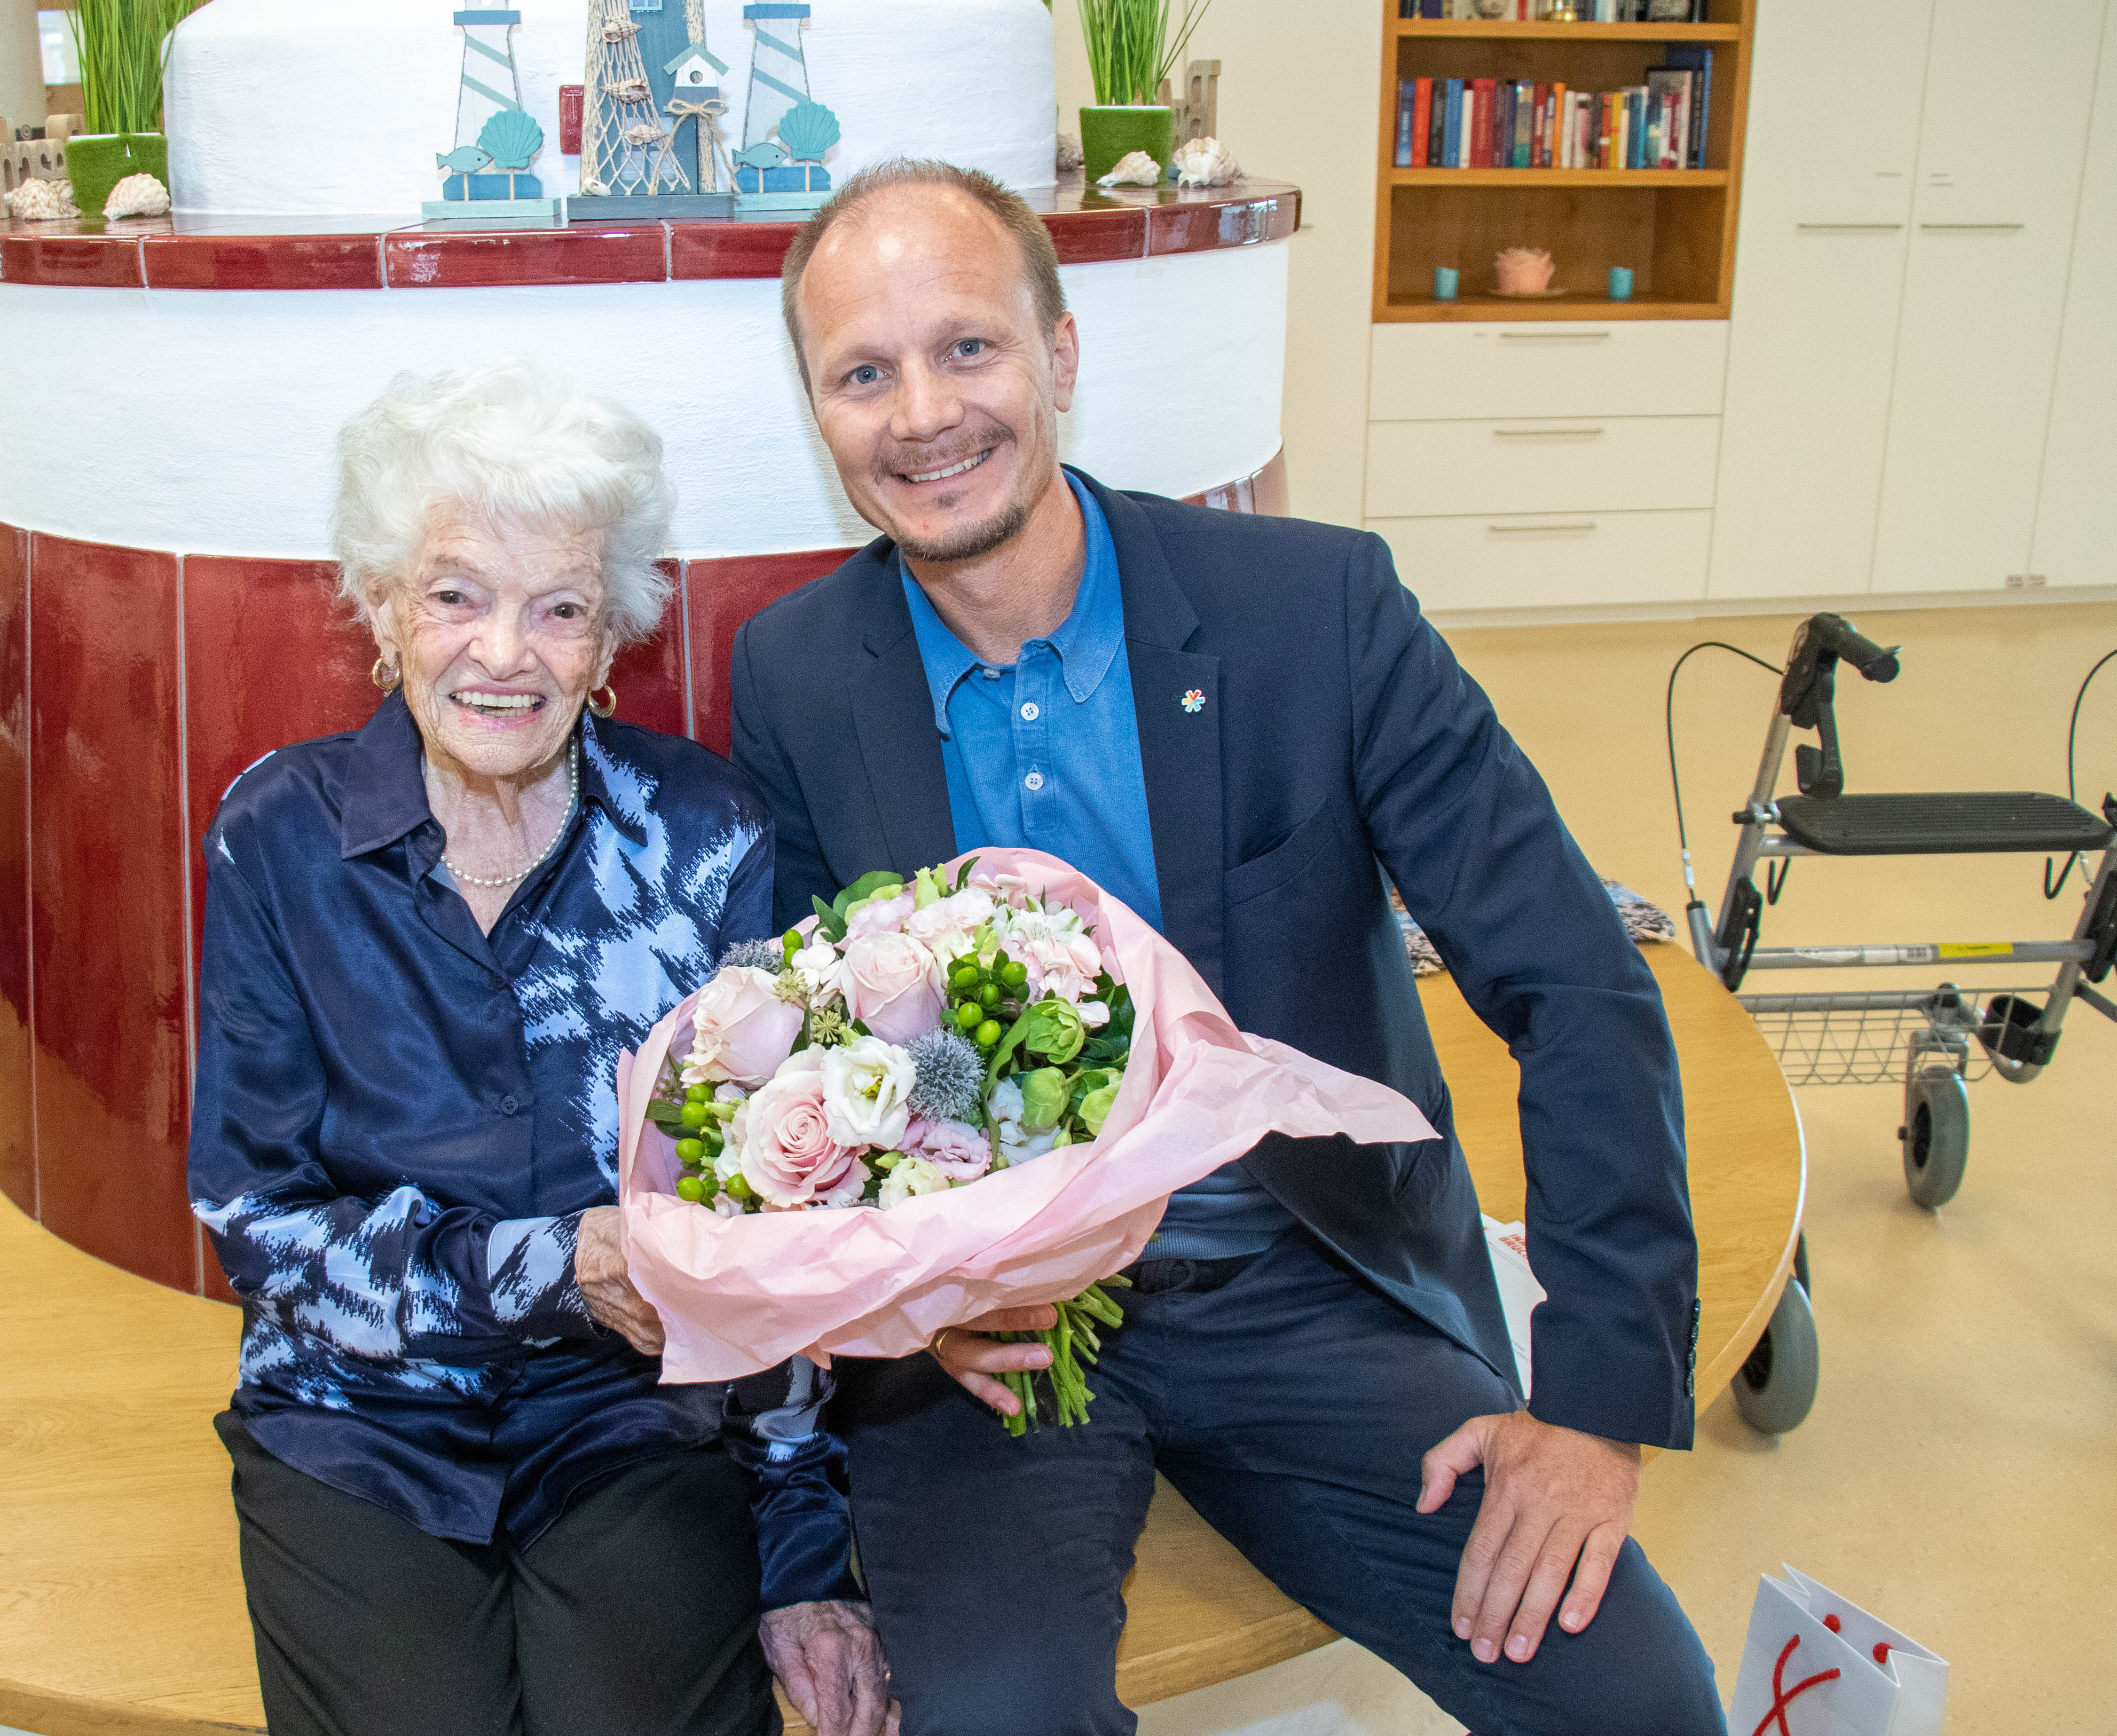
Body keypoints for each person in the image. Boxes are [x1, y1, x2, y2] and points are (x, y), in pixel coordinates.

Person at [724, 160, 1726, 1735]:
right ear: (818, 413)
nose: (922, 414)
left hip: (1302, 1273)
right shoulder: (792, 675)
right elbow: (798, 1053)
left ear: (1060, 354)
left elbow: (1574, 980)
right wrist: (901, 1300)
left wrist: (1594, 1408)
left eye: (968, 347)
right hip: (996, 1331)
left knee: (1638, 1700)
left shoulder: (1313, 611)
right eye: (863, 374)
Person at [189, 359, 889, 1736]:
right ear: (382, 608)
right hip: (357, 1412)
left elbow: (781, 1212)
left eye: (558, 607)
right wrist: (556, 1263)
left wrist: (805, 1550)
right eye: (455, 595)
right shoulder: (277, 834)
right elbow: (256, 1225)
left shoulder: (705, 836)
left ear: (608, 634)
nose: (503, 653)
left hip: (631, 1412)